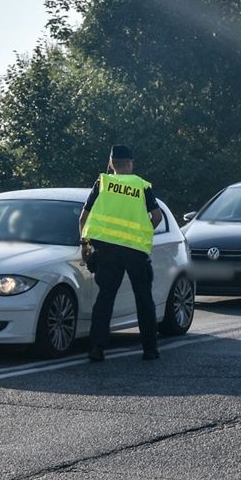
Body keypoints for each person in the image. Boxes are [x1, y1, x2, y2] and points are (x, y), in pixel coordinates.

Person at [78, 144, 163, 361]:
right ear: (128, 163)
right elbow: (157, 216)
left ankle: (96, 349)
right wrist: (143, 232)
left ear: (111, 164)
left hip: (107, 250)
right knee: (143, 298)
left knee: (105, 298)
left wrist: (86, 245)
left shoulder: (103, 183)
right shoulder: (141, 185)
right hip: (135, 250)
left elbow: (83, 218)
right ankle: (150, 350)